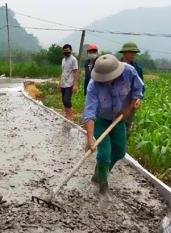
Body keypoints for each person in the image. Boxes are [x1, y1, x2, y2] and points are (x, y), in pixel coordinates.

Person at [83, 54, 144, 196]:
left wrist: (129, 108)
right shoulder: (93, 85)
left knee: (119, 151)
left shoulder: (129, 72)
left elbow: (138, 90)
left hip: (119, 117)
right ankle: (103, 185)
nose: (103, 82)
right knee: (104, 154)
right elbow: (89, 112)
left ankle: (99, 174)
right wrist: (90, 138)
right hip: (101, 119)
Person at [119, 42, 144, 132]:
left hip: (131, 101)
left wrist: (138, 99)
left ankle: (125, 142)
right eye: (131, 52)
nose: (133, 55)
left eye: (135, 53)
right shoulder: (115, 66)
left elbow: (141, 86)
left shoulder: (138, 69)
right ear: (124, 53)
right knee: (115, 123)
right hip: (117, 100)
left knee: (127, 124)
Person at [58, 44, 79, 121]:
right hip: (63, 83)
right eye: (64, 51)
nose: (66, 52)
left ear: (71, 50)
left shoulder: (73, 59)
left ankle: (70, 117)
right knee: (64, 100)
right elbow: (62, 72)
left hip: (69, 84)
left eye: (67, 51)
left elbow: (76, 72)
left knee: (67, 100)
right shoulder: (63, 60)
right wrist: (59, 83)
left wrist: (75, 84)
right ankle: (67, 115)